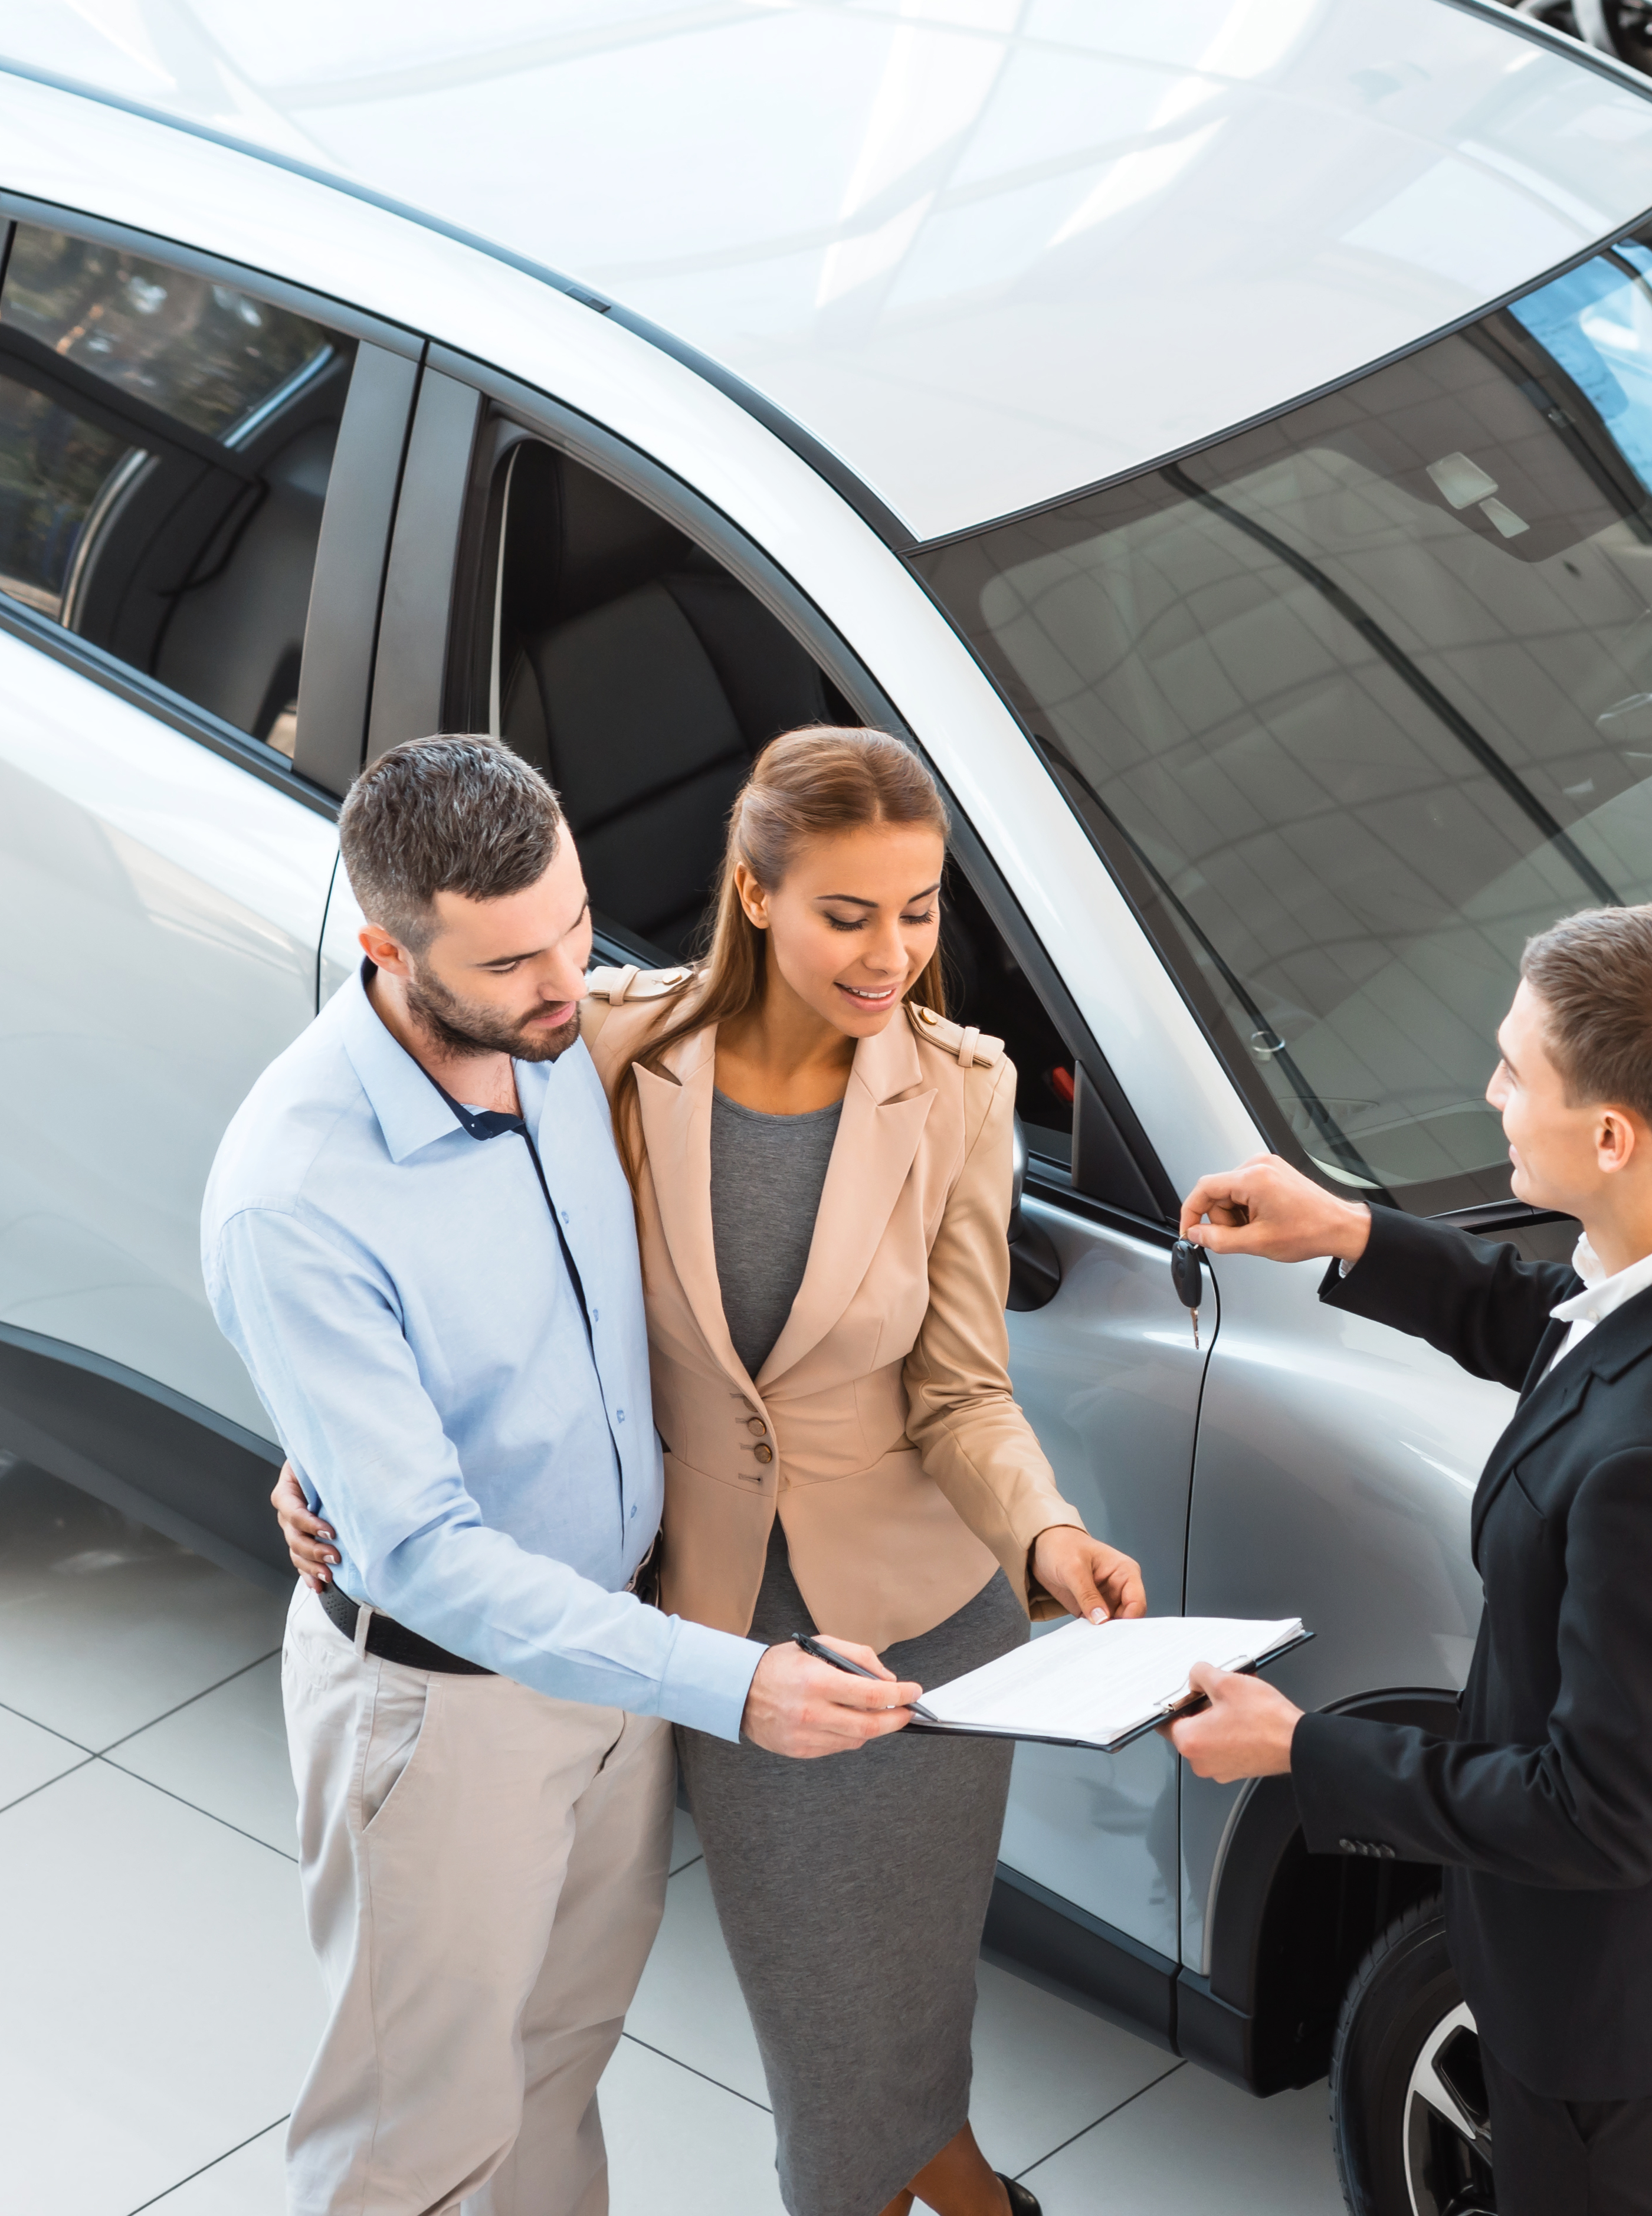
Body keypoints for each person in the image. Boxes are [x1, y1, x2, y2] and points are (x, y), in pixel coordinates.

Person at [280, 725, 1146, 2216]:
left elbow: (958, 1387)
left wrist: (1047, 1534)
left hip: (922, 1624)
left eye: (921, 910)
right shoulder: (605, 1049)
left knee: (906, 2002)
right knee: (812, 2012)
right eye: (847, 913)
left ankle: (956, 2186)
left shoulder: (958, 1090)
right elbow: (455, 1268)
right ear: (753, 894)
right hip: (714, 1631)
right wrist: (324, 1459)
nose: (892, 955)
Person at [204, 734, 917, 2216]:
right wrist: (731, 1684)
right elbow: (424, 1555)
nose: (565, 979)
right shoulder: (296, 1196)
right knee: (414, 2141)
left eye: (576, 926)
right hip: (442, 1713)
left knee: (555, 2071)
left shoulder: (570, 1035)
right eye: (516, 959)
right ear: (386, 950)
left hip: (611, 1664)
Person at [1167, 903, 1652, 2216]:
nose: (1488, 1092)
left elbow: (1591, 1814)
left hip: (1613, 2011)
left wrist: (1295, 1750)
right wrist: (1349, 1233)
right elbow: (1579, 1333)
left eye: (1513, 1070)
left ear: (1610, 1135)